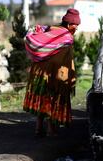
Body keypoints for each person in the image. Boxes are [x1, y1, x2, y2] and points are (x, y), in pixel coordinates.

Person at [23, 8, 80, 137]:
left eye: (77, 25)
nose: (76, 28)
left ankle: (38, 128)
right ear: (69, 24)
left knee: (42, 100)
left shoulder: (51, 29)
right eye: (75, 25)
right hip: (52, 75)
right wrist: (67, 77)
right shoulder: (66, 38)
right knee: (51, 99)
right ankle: (50, 130)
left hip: (38, 73)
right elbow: (62, 61)